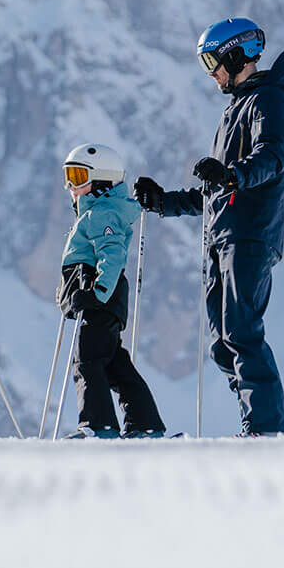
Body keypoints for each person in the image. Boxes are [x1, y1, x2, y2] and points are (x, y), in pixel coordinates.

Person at [133, 17, 284, 436]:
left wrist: (231, 176)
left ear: (236, 52)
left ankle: (268, 428)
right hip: (221, 238)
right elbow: (214, 191)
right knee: (221, 343)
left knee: (242, 331)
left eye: (213, 60)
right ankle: (256, 424)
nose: (211, 73)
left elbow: (270, 156)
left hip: (250, 234)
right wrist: (164, 202)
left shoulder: (268, 101)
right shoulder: (235, 109)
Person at [58, 142, 166, 438]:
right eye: (68, 176)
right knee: (114, 362)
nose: (71, 185)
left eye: (79, 177)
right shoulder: (96, 212)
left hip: (101, 295)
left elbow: (112, 254)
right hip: (104, 296)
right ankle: (145, 424)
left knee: (87, 360)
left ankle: (98, 425)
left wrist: (95, 293)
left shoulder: (101, 214)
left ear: (102, 181)